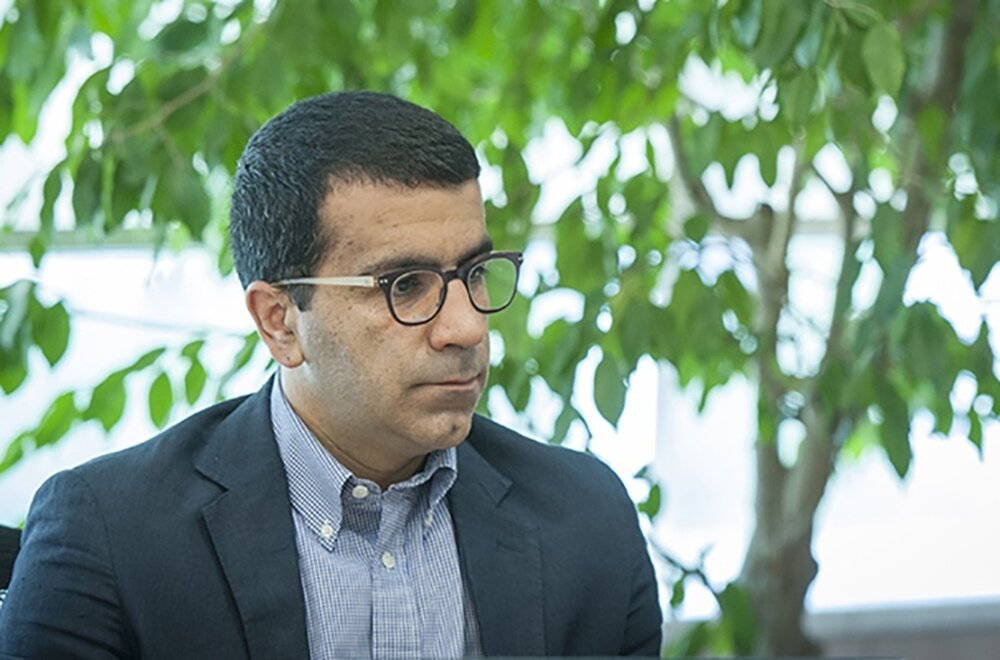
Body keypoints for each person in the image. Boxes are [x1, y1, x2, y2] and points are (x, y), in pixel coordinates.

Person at [0, 91, 662, 658]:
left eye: (475, 273)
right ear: (280, 322)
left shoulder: (587, 519)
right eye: (406, 285)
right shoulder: (111, 537)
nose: (466, 328)